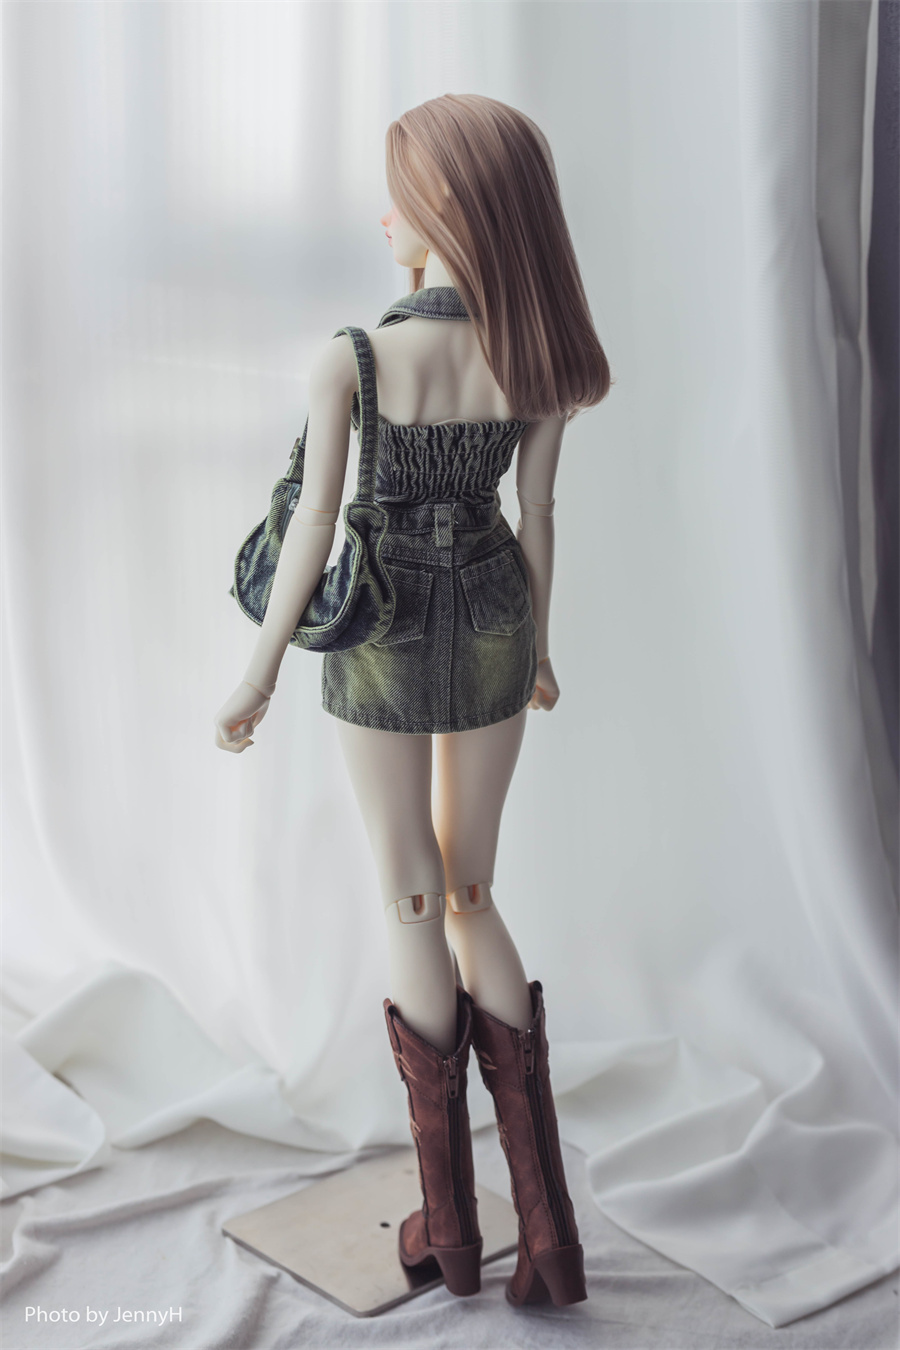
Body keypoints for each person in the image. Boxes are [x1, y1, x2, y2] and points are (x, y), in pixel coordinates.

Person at [215, 93, 610, 1308]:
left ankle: (451, 1231)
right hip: (495, 610)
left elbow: (314, 529)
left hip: (381, 629)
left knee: (411, 893)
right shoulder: (535, 359)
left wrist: (261, 667)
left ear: (442, 210)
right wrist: (540, 647)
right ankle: (549, 1238)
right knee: (473, 890)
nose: (386, 219)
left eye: (400, 198)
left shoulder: (353, 358)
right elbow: (537, 515)